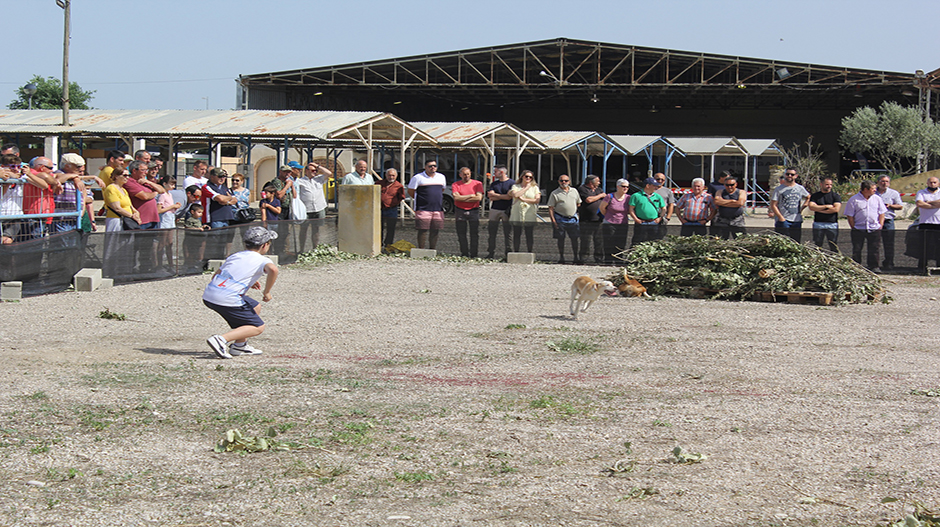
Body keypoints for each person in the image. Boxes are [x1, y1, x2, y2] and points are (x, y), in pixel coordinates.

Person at [204, 226, 280, 359]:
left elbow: (216, 275)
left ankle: (240, 346)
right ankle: (221, 339)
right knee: (258, 327)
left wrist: (248, 280)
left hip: (209, 294)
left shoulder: (236, 255)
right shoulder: (262, 260)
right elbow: (273, 270)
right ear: (264, 245)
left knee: (255, 307)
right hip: (227, 298)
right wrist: (266, 292)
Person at [843, 180, 886, 271]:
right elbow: (850, 215)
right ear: (866, 189)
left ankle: (874, 266)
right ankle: (856, 267)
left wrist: (880, 225)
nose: (875, 190)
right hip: (859, 228)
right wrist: (854, 227)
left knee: (874, 248)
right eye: (873, 189)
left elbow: (882, 213)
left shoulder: (877, 198)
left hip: (874, 228)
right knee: (857, 249)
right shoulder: (854, 199)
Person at [408, 159, 446, 249]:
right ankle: (421, 249)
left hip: (437, 208)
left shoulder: (441, 177)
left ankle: (432, 249)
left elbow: (442, 189)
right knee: (422, 230)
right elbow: (411, 191)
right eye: (430, 166)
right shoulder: (417, 177)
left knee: (435, 230)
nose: (432, 167)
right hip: (423, 208)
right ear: (425, 167)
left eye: (434, 166)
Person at [22, 157, 60, 240]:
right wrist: (56, 182)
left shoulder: (45, 175)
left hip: (42, 215)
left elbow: (60, 175)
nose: (52, 170)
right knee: (34, 243)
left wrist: (75, 178)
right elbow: (45, 177)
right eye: (50, 168)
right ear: (42, 167)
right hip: (33, 216)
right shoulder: (31, 173)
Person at [547, 174, 581, 264]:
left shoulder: (574, 191)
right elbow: (551, 208)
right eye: (561, 181)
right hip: (560, 219)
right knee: (560, 239)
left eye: (566, 181)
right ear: (558, 182)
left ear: (569, 182)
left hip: (573, 219)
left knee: (575, 239)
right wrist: (553, 221)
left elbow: (578, 203)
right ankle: (561, 257)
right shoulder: (554, 193)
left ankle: (575, 258)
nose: (564, 182)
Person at [770, 167, 810, 242]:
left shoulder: (800, 188)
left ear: (796, 176)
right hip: (784, 220)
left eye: (792, 174)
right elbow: (773, 204)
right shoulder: (779, 189)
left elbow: (808, 197)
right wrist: (780, 217)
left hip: (796, 220)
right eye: (788, 174)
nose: (789, 176)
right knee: (782, 242)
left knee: (796, 242)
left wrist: (802, 209)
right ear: (785, 175)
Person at [124, 161, 165, 229]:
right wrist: (155, 193)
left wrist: (148, 182)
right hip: (141, 220)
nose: (146, 172)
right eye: (143, 170)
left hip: (153, 219)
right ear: (134, 171)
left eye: (147, 170)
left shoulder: (144, 182)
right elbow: (144, 196)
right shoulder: (129, 182)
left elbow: (162, 190)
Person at [452, 167, 483, 257]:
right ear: (460, 175)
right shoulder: (456, 184)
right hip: (460, 210)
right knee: (461, 233)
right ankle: (464, 253)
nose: (466, 176)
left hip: (474, 210)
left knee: (474, 233)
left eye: (468, 174)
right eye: (464, 174)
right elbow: (456, 198)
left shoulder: (477, 184)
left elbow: (478, 198)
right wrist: (470, 196)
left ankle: (474, 254)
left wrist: (462, 198)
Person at [875, 175, 903, 270]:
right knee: (875, 243)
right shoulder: (873, 192)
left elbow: (900, 206)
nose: (884, 183)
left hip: (888, 220)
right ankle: (875, 264)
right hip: (875, 221)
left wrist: (890, 205)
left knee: (889, 243)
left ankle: (889, 263)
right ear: (878, 182)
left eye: (887, 181)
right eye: (882, 181)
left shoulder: (893, 193)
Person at [486, 165, 514, 259]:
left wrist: (497, 195)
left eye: (495, 171)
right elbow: (490, 196)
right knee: (492, 232)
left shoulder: (512, 183)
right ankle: (490, 252)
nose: (494, 173)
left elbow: (509, 197)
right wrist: (503, 196)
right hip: (495, 209)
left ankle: (508, 253)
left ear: (501, 172)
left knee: (508, 233)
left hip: (507, 210)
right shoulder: (494, 184)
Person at [509, 170, 541, 253]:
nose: (528, 178)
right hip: (517, 212)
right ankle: (516, 251)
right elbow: (515, 195)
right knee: (516, 233)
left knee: (529, 234)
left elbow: (536, 200)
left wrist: (523, 199)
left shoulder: (535, 188)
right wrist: (526, 188)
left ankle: (529, 251)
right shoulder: (516, 186)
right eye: (526, 176)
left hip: (529, 213)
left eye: (530, 177)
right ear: (522, 176)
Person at [599, 178, 630, 262]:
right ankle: (608, 260)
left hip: (623, 223)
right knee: (609, 242)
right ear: (618, 186)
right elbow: (602, 208)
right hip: (610, 223)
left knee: (621, 242)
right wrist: (609, 216)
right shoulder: (610, 196)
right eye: (623, 186)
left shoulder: (628, 198)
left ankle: (618, 260)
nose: (625, 188)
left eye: (627, 187)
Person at [628, 177, 666, 246]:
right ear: (647, 186)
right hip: (641, 223)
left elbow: (664, 208)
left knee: (654, 242)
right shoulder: (636, 196)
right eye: (654, 185)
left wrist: (660, 218)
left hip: (654, 222)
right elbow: (631, 209)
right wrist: (636, 219)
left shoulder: (658, 196)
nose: (656, 187)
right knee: (638, 242)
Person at [808, 177, 842, 252]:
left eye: (830, 184)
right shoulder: (815, 196)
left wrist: (819, 209)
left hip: (832, 224)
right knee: (817, 245)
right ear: (821, 184)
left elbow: (836, 209)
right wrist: (826, 206)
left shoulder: (835, 196)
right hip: (818, 223)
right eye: (827, 184)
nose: (829, 186)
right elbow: (811, 207)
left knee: (833, 245)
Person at [578, 174, 606, 263]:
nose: (599, 182)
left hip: (598, 220)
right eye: (597, 181)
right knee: (585, 240)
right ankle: (584, 258)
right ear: (591, 182)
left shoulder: (598, 190)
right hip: (586, 220)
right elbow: (588, 200)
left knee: (599, 241)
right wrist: (600, 196)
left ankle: (599, 259)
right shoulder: (583, 189)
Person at [915, 176, 940, 269]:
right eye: (930, 182)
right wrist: (934, 206)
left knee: (939, 246)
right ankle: (922, 266)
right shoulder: (921, 192)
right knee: (924, 246)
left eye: (934, 182)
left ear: (938, 183)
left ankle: (939, 266)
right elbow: (919, 203)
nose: (932, 184)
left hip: (938, 223)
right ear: (927, 183)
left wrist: (928, 202)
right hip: (925, 222)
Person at [379, 168, 406, 249]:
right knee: (379, 228)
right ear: (386, 175)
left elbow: (401, 197)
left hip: (392, 210)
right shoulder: (379, 183)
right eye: (389, 175)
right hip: (380, 209)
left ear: (396, 176)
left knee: (391, 228)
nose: (391, 177)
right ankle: (379, 244)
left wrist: (393, 203)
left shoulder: (399, 186)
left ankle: (388, 244)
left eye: (393, 175)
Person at [653, 173, 675, 238]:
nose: (660, 181)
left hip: (662, 218)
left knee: (660, 237)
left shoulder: (668, 191)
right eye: (658, 179)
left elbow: (671, 204)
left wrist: (668, 218)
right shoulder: (649, 190)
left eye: (662, 180)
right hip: (650, 218)